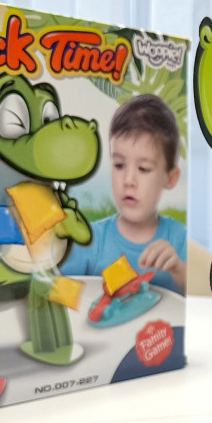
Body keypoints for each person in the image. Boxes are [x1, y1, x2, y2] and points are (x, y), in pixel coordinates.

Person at [61, 93, 187, 295]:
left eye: (143, 169)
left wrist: (179, 271)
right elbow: (57, 294)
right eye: (119, 165)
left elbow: (203, 300)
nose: (128, 180)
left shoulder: (179, 238)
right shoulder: (90, 241)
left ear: (170, 178)